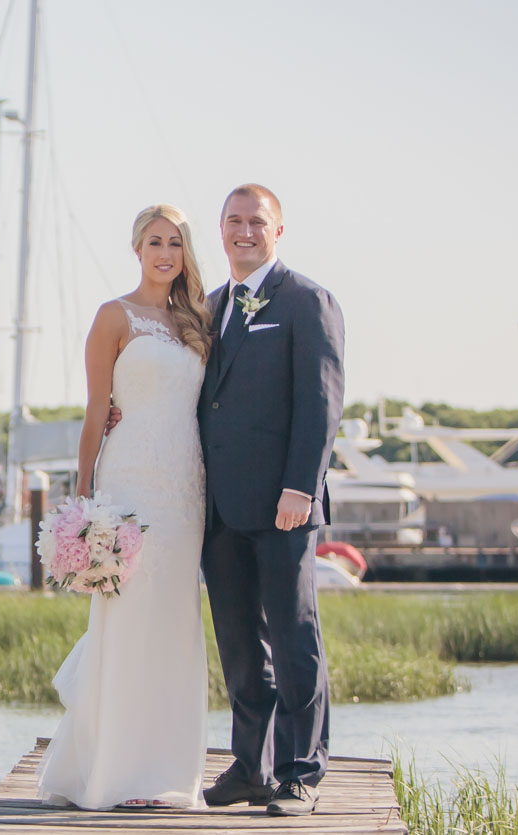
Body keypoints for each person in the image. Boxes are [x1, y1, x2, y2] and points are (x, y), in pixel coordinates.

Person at [36, 203, 214, 811]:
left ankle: (165, 773)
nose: (166, 253)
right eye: (155, 241)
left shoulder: (199, 320)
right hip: (130, 483)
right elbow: (95, 413)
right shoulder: (113, 316)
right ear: (137, 248)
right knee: (128, 620)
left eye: (176, 243)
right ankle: (112, 773)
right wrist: (84, 498)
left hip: (185, 488)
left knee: (175, 626)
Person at [194, 184, 345, 817]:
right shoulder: (209, 306)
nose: (244, 231)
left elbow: (321, 401)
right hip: (220, 509)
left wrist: (299, 487)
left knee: (292, 635)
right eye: (233, 221)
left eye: (257, 221)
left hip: (284, 503)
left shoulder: (308, 301)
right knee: (236, 641)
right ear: (221, 229)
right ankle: (250, 768)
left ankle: (300, 771)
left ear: (278, 231)